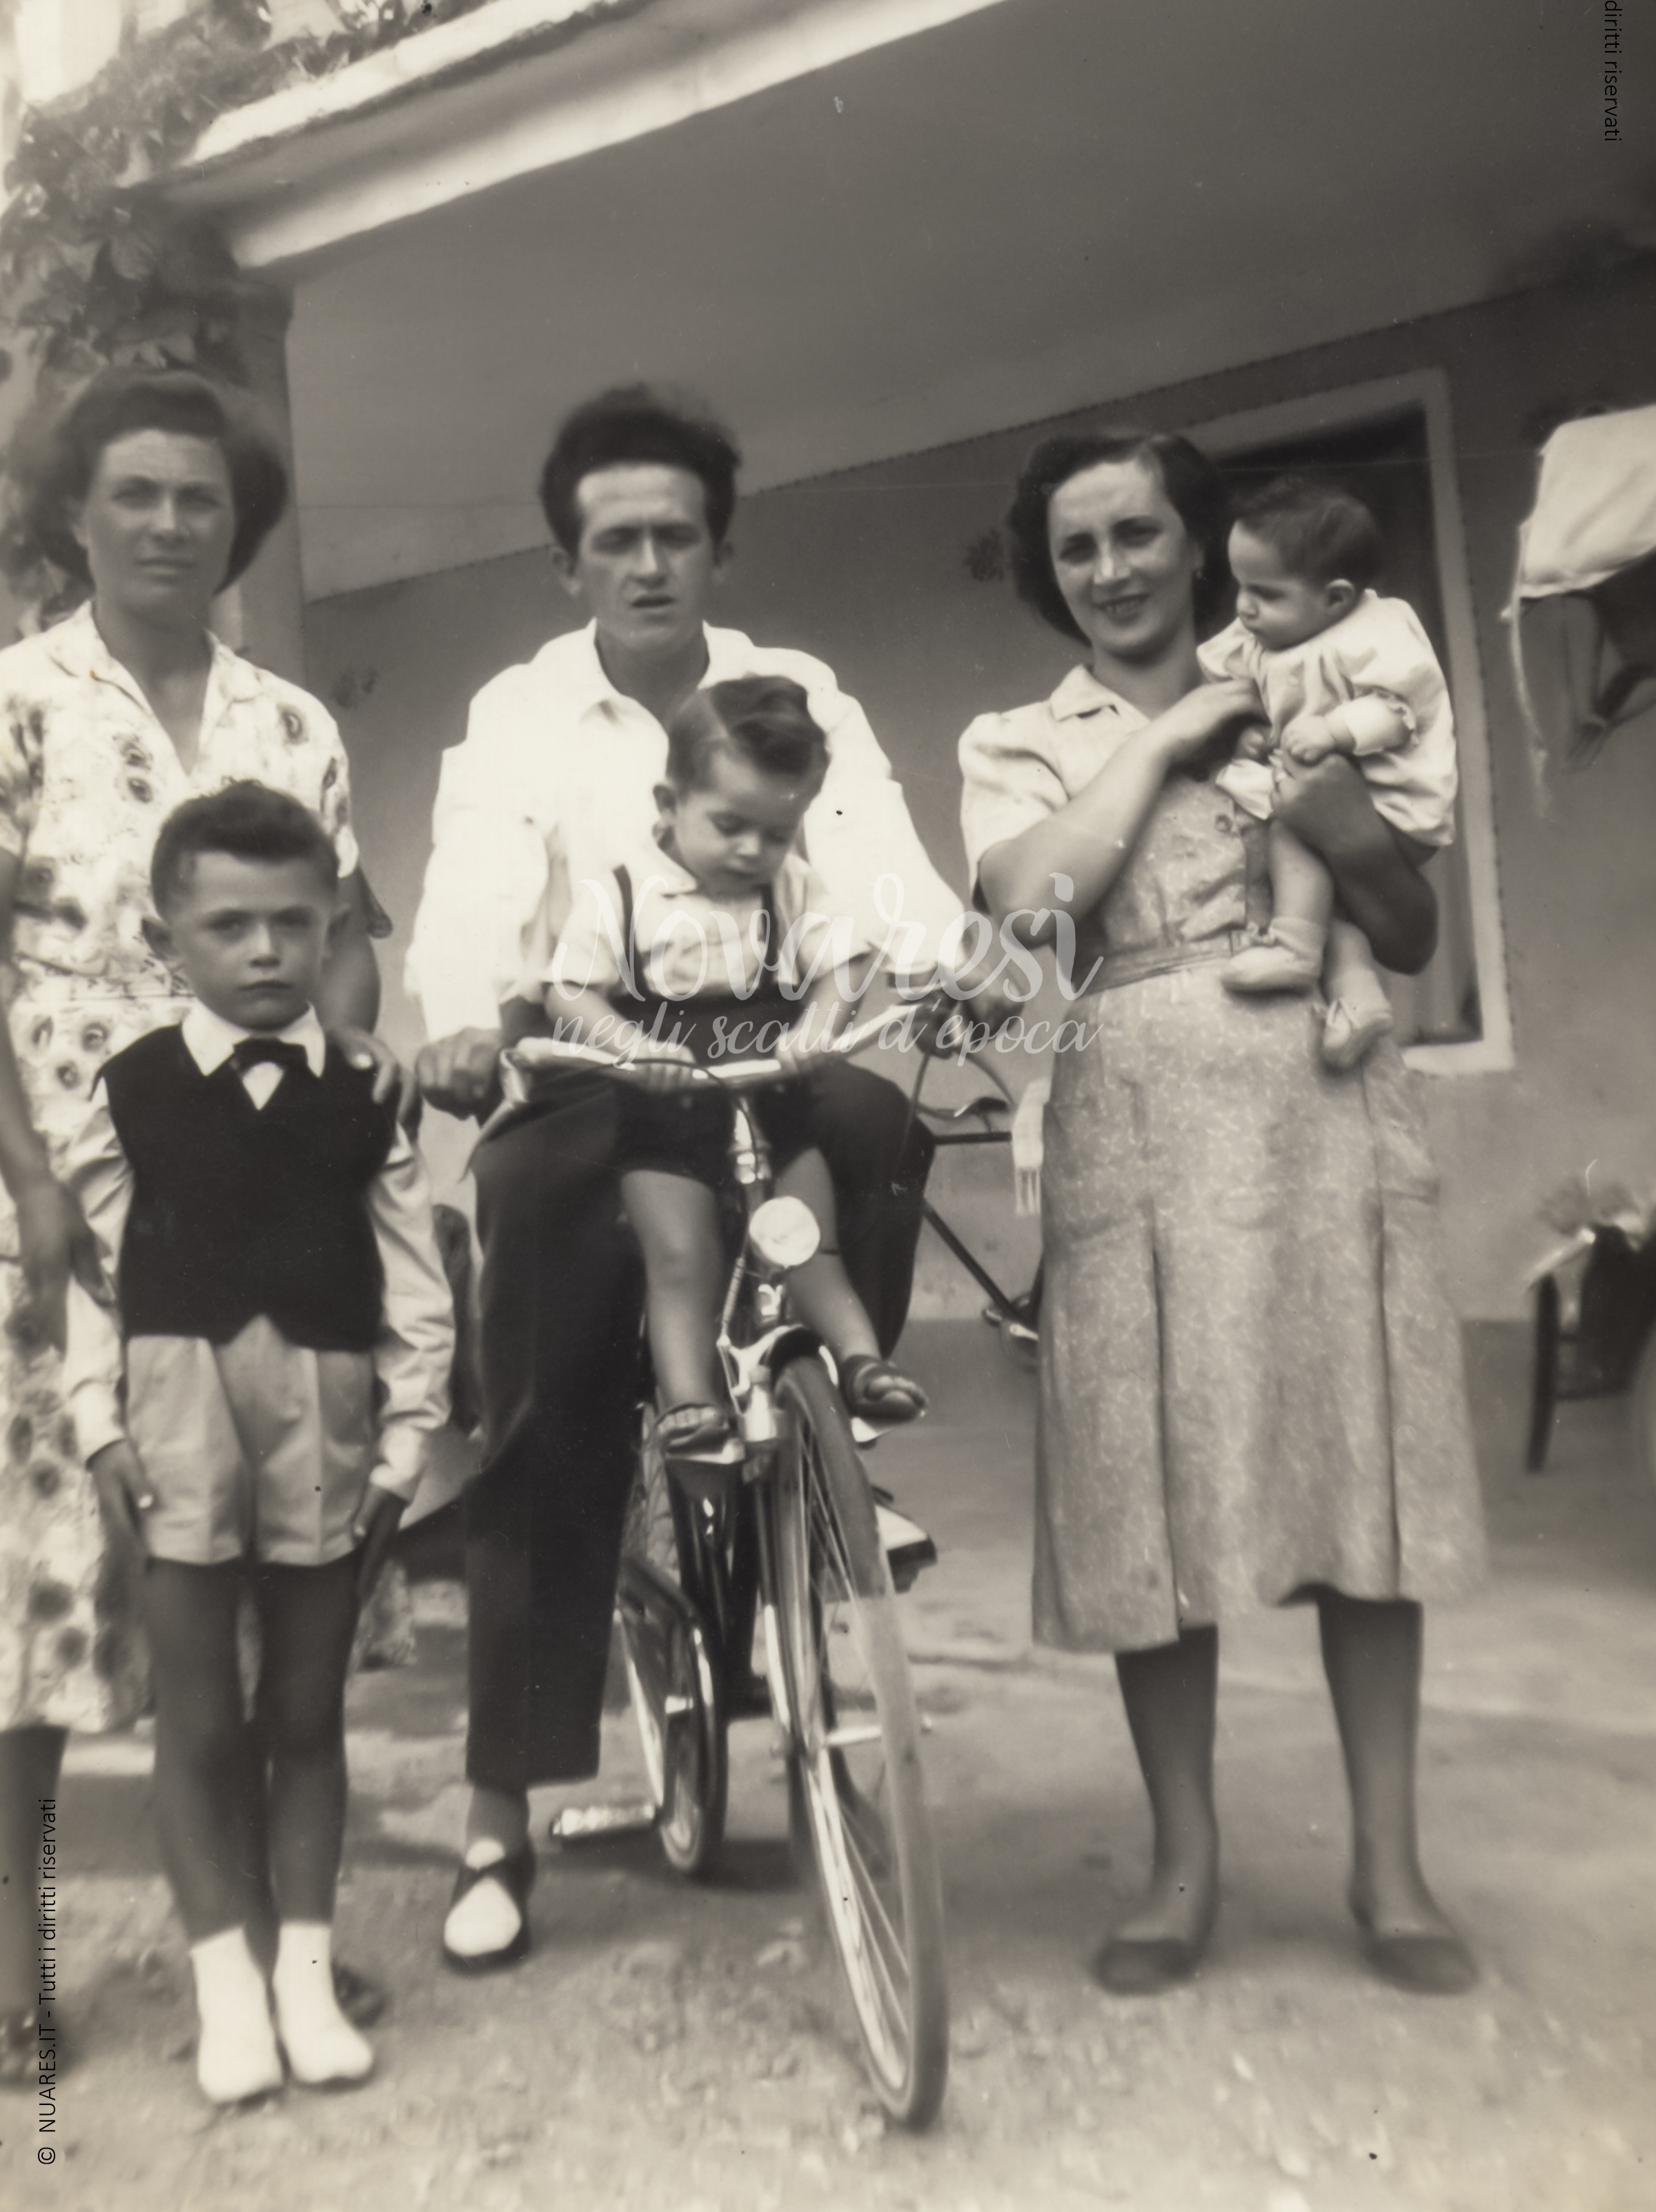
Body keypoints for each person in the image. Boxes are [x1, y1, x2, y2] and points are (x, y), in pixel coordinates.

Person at [408, 386, 961, 1973]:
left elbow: (876, 859)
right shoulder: (521, 714)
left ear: (720, 548)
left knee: (872, 1121)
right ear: (567, 564)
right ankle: (499, 1815)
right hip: (595, 1071)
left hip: (760, 1064)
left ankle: (825, 1433)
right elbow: (476, 890)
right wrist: (465, 1020)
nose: (646, 563)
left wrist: (947, 959)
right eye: (614, 540)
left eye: (674, 535)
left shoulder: (796, 693)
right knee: (544, 1361)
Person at [960, 428, 1486, 1999]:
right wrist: (1171, 737)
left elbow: (1404, 926)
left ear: (1197, 541)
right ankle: (1179, 1866)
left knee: (1357, 1476)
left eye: (1136, 533)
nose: (1109, 569)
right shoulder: (1019, 737)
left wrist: (1325, 800)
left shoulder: (1314, 673)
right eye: (1076, 547)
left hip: (1322, 1101)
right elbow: (1034, 906)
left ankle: (1388, 1863)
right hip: (1132, 1118)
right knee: (1147, 1502)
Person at [0, 367, 402, 2082]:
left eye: (202, 500)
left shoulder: (288, 722)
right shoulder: (18, 699)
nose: (171, 524)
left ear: (240, 526)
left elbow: (348, 931)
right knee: (42, 1589)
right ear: (74, 513)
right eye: (137, 494)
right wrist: (32, 1180)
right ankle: (18, 1959)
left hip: (257, 1188)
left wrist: (340, 1083)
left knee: (249, 1579)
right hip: (55, 1182)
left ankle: (253, 1938)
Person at [60, 786, 453, 2104]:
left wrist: (404, 1447)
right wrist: (97, 1422)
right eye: (229, 924)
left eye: (295, 921)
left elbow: (417, 1287)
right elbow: (90, 1273)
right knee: (200, 1720)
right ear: (166, 935)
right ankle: (227, 1989)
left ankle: (305, 1979)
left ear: (333, 923)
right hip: (175, 1413)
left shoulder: (370, 1092)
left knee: (306, 1711)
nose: (268, 949)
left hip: (326, 1418)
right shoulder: (131, 1087)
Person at [547, 674, 927, 1456]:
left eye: (777, 833)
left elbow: (847, 962)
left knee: (809, 1245)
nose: (753, 850)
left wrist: (815, 1029)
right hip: (666, 1109)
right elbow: (570, 990)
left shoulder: (787, 887)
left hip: (771, 1102)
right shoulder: (622, 894)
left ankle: (861, 1364)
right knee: (680, 1260)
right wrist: (633, 1048)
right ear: (669, 803)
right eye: (730, 825)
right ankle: (689, 1400)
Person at [1197, 476, 1458, 1069]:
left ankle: (1294, 948)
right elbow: (1230, 682)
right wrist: (1249, 730)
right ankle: (1360, 997)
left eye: (1264, 592)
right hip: (1330, 790)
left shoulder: (1375, 633)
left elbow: (1401, 710)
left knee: (1290, 829)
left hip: (1392, 803)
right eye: (1240, 585)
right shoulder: (1270, 631)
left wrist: (1334, 731)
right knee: (1327, 895)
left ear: (1336, 599)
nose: (1244, 607)